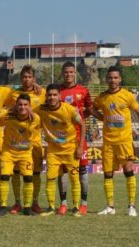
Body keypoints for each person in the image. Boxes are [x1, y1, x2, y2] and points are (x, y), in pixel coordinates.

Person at [93, 66, 139, 217]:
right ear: (106, 79)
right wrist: (102, 118)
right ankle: (110, 206)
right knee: (107, 174)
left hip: (124, 141)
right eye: (110, 78)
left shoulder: (127, 96)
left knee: (128, 171)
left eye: (115, 77)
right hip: (108, 142)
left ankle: (132, 206)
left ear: (120, 79)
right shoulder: (102, 97)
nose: (113, 80)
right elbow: (92, 108)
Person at [35, 84, 86, 217]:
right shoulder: (41, 109)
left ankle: (75, 207)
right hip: (53, 151)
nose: (52, 97)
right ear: (46, 97)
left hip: (71, 151)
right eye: (49, 95)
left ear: (59, 96)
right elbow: (27, 112)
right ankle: (51, 207)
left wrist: (80, 146)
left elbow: (82, 125)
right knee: (50, 178)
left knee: (74, 179)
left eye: (54, 95)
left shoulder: (69, 109)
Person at [4, 65, 46, 215]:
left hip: (35, 139)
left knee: (35, 173)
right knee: (16, 172)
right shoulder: (14, 94)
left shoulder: (42, 93)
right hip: (17, 140)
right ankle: (17, 203)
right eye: (24, 77)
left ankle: (34, 202)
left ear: (34, 79)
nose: (27, 80)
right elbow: (5, 106)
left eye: (29, 77)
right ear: (21, 78)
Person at [58, 61, 93, 215]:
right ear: (62, 73)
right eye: (66, 72)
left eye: (71, 72)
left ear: (75, 73)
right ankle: (63, 203)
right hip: (63, 138)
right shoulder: (56, 91)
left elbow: (90, 108)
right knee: (63, 170)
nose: (69, 75)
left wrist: (81, 117)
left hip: (79, 138)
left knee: (82, 170)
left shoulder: (83, 91)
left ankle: (83, 204)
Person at [0, 94, 41, 216]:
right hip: (8, 152)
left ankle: (27, 207)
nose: (22, 107)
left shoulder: (35, 118)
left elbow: (27, 130)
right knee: (5, 177)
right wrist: (8, 109)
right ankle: (3, 205)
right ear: (16, 106)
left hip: (25, 153)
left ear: (30, 106)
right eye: (20, 104)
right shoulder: (8, 116)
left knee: (28, 178)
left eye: (25, 105)